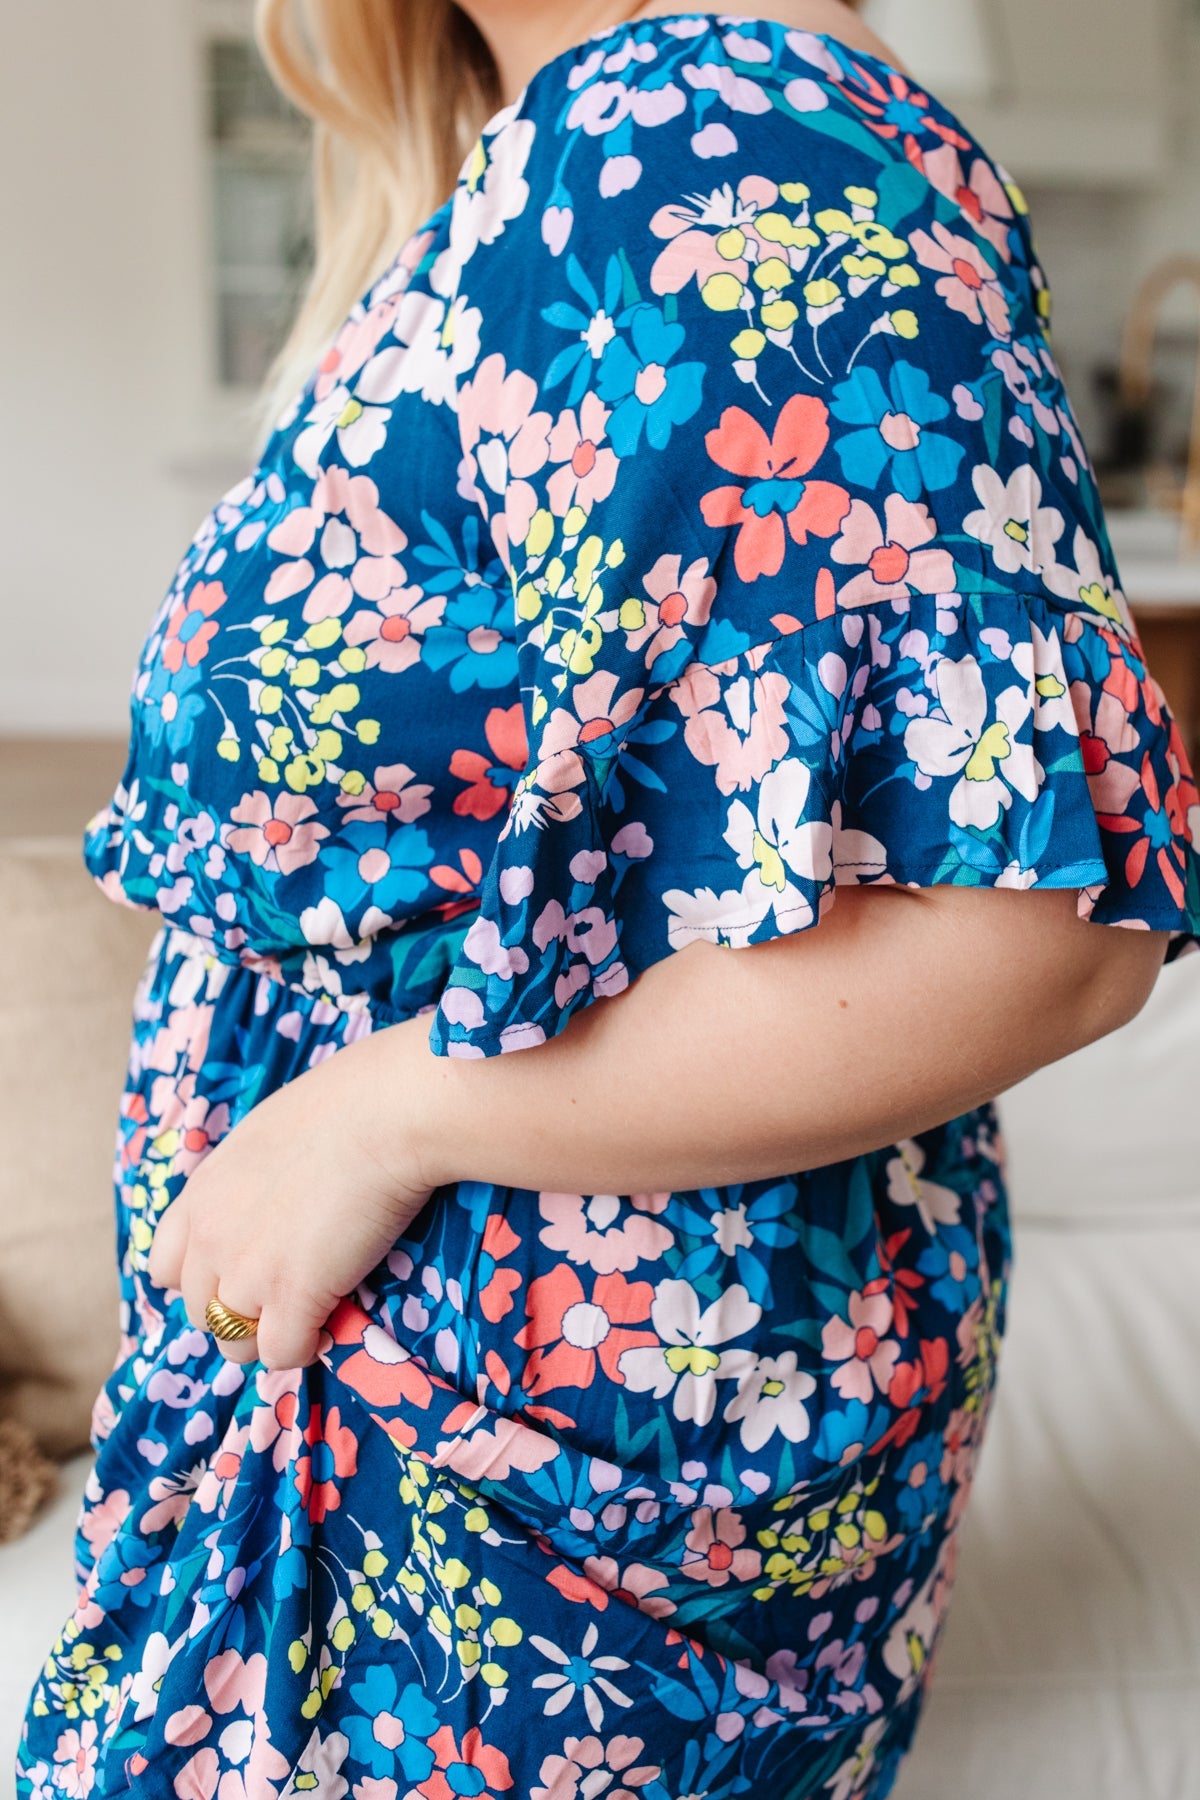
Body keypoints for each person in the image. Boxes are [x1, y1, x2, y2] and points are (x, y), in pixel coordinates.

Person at [17, 1, 1200, 1796]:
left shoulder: (709, 134)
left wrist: (378, 1118)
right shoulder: (561, 152)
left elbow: (1036, 938)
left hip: (499, 1529)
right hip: (397, 1455)